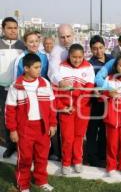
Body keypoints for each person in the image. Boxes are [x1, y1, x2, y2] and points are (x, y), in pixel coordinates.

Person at [5, 53, 56, 192]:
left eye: (40, 67)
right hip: (25, 129)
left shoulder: (45, 83)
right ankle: (23, 185)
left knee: (42, 156)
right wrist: (12, 129)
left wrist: (52, 124)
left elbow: (52, 106)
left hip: (42, 127)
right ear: (26, 68)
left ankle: (41, 181)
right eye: (36, 67)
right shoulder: (16, 86)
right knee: (25, 158)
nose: (39, 70)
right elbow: (9, 111)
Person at [54, 44, 95, 175]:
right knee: (67, 137)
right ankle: (66, 162)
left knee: (79, 136)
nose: (77, 60)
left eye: (79, 57)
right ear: (69, 56)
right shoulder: (61, 67)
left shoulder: (88, 67)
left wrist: (77, 97)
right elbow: (55, 90)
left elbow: (89, 89)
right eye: (74, 57)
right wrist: (62, 107)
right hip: (66, 109)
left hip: (82, 109)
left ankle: (77, 161)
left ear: (84, 56)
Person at [47, 24, 74, 161]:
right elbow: (52, 72)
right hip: (60, 92)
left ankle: (73, 155)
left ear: (73, 35)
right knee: (59, 124)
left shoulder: (77, 47)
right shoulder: (56, 51)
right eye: (62, 37)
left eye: (68, 36)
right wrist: (61, 82)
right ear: (58, 37)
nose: (65, 39)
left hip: (74, 93)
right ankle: (58, 154)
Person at [0, 17, 26, 158]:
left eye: (15, 28)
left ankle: (21, 146)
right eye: (9, 28)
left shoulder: (22, 45)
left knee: (20, 118)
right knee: (6, 118)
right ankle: (10, 146)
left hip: (18, 89)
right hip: (2, 89)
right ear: (3, 29)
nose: (13, 30)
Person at [86, 35, 113, 166]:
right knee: (92, 129)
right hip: (94, 101)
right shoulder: (89, 64)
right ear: (91, 49)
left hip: (108, 101)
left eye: (101, 47)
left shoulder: (112, 60)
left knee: (104, 129)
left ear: (105, 46)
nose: (98, 51)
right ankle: (91, 156)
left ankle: (102, 155)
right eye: (95, 49)